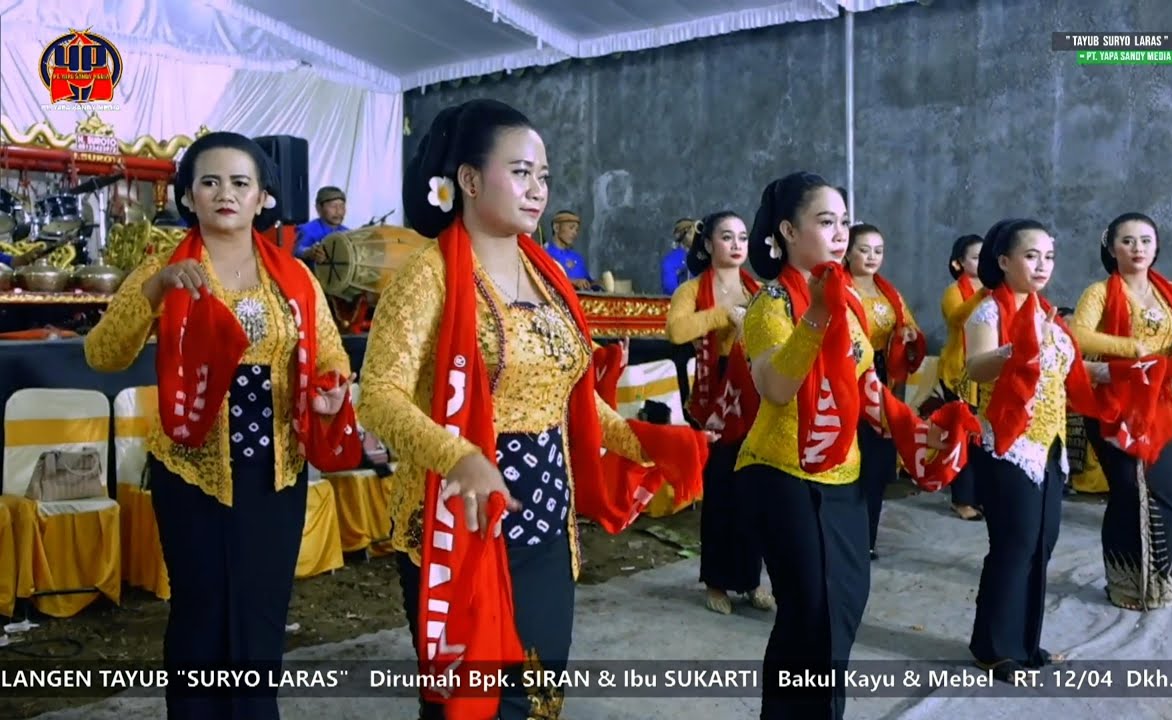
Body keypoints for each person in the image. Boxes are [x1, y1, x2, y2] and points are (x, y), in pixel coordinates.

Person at [356, 99, 706, 720]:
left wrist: (643, 441)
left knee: (539, 697)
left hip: (547, 522)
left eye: (542, 175)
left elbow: (566, 396)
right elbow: (380, 397)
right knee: (474, 705)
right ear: (468, 180)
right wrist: (459, 456)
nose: (538, 189)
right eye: (520, 173)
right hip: (462, 523)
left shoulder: (548, 277)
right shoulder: (426, 278)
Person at [85, 132, 361, 719]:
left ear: (263, 197)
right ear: (188, 196)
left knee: (261, 614)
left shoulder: (295, 276)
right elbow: (102, 354)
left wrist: (333, 390)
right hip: (192, 469)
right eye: (209, 182)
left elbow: (331, 354)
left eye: (240, 182)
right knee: (201, 613)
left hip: (276, 472)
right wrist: (156, 290)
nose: (225, 194)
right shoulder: (165, 268)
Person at [737, 172, 974, 718]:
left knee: (840, 607)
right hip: (782, 473)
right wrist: (817, 314)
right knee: (809, 613)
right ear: (787, 231)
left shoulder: (845, 303)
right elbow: (775, 387)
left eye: (844, 221)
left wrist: (917, 430)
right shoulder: (771, 303)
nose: (841, 233)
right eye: (826, 222)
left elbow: (865, 384)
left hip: (845, 474)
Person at [963, 218, 1116, 681]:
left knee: (1041, 544)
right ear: (1004, 261)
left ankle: (1024, 642)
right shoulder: (988, 312)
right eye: (1031, 256)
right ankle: (993, 646)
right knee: (1014, 545)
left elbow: (1069, 373)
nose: (1042, 265)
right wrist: (1014, 350)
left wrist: (1127, 371)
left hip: (1049, 444)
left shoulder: (1048, 315)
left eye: (1049, 256)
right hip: (1008, 446)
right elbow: (976, 367)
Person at [1070, 212, 1172, 610]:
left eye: (1145, 240)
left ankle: (1158, 582)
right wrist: (1131, 349)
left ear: (1156, 247)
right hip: (1115, 404)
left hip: (1160, 404)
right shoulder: (1099, 293)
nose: (1137, 248)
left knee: (1168, 491)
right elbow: (1078, 336)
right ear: (1111, 248)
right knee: (1129, 492)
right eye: (1127, 241)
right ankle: (1125, 583)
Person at [665, 210, 772, 615]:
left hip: (755, 395)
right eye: (727, 237)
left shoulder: (758, 289)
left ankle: (751, 580)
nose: (737, 244)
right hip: (715, 398)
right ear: (708, 244)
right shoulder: (692, 290)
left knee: (755, 490)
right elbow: (676, 331)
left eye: (742, 237)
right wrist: (723, 315)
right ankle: (716, 581)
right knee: (721, 492)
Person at [844, 222, 925, 560]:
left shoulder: (889, 293)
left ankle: (867, 539)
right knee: (849, 460)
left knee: (876, 463)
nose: (872, 256)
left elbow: (910, 326)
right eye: (864, 250)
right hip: (848, 379)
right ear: (847, 252)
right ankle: (844, 539)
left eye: (878, 251)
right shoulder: (839, 288)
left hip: (882, 381)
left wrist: (907, 336)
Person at [939, 234, 987, 520]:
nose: (983, 262)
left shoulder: (1000, 289)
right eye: (976, 257)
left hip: (989, 374)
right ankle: (962, 499)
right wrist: (984, 294)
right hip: (960, 375)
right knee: (963, 438)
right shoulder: (953, 291)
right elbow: (958, 319)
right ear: (958, 263)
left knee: (984, 439)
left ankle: (982, 496)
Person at [294, 186, 349, 266]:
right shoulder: (308, 230)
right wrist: (309, 252)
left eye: (342, 206)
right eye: (333, 206)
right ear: (319, 208)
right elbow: (297, 250)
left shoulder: (347, 232)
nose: (339, 211)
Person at [544, 210, 593, 289]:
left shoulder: (578, 257)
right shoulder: (544, 254)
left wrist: (599, 283)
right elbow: (544, 281)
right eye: (571, 228)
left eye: (576, 230)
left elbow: (588, 282)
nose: (575, 233)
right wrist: (573, 282)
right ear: (556, 228)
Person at [661, 217, 697, 294]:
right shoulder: (671, 261)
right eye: (691, 233)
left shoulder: (702, 258)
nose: (695, 237)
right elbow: (670, 289)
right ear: (680, 235)